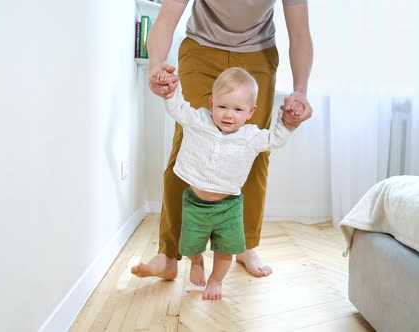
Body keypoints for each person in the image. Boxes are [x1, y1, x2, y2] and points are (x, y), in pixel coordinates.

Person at [131, 0, 313, 280]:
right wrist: (156, 65)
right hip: (201, 49)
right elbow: (167, 17)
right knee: (187, 144)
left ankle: (244, 245)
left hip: (259, 53)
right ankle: (168, 253)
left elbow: (300, 32)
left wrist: (301, 90)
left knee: (255, 150)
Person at [156, 66, 300, 299]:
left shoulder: (251, 136)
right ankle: (196, 262)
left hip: (229, 207)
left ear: (250, 112)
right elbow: (178, 109)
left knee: (226, 250)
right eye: (222, 107)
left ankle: (216, 280)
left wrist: (288, 123)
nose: (228, 114)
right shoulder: (199, 121)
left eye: (237, 109)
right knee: (188, 245)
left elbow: (276, 139)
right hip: (195, 203)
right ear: (211, 104)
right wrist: (171, 91)